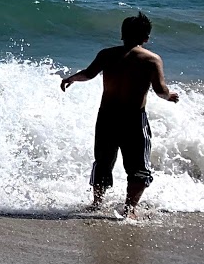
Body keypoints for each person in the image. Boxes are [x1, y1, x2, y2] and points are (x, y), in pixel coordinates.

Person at [61, 12, 180, 217]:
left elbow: (88, 74)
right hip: (133, 118)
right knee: (138, 166)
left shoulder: (106, 54)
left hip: (107, 116)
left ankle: (97, 203)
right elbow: (160, 90)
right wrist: (169, 96)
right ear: (146, 38)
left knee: (103, 161)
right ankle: (129, 208)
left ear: (122, 34)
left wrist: (71, 78)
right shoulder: (151, 59)